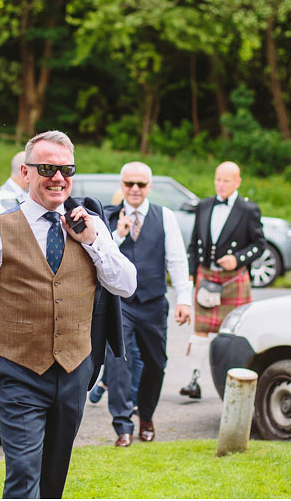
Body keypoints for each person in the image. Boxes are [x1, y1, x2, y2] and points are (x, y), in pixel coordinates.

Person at [0, 131, 136, 499]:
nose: (58, 177)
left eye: (67, 169)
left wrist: (94, 241)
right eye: (48, 167)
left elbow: (126, 284)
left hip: (73, 372)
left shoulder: (89, 226)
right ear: (26, 171)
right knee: (22, 477)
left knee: (53, 482)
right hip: (19, 374)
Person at [102, 161, 192, 445]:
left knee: (156, 362)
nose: (135, 189)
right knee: (118, 361)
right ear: (122, 185)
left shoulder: (164, 216)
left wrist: (184, 300)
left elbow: (177, 260)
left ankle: (147, 416)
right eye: (129, 184)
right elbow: (99, 257)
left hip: (153, 301)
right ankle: (122, 426)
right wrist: (119, 234)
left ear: (149, 186)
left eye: (141, 184)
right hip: (120, 303)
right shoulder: (110, 217)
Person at [180, 160, 267, 399]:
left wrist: (238, 259)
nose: (220, 184)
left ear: (237, 181)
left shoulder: (248, 210)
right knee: (199, 330)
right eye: (218, 179)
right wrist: (191, 271)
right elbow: (194, 242)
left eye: (226, 180)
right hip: (206, 276)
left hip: (233, 279)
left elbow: (260, 245)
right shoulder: (204, 205)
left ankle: (234, 382)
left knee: (232, 334)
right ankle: (193, 380)